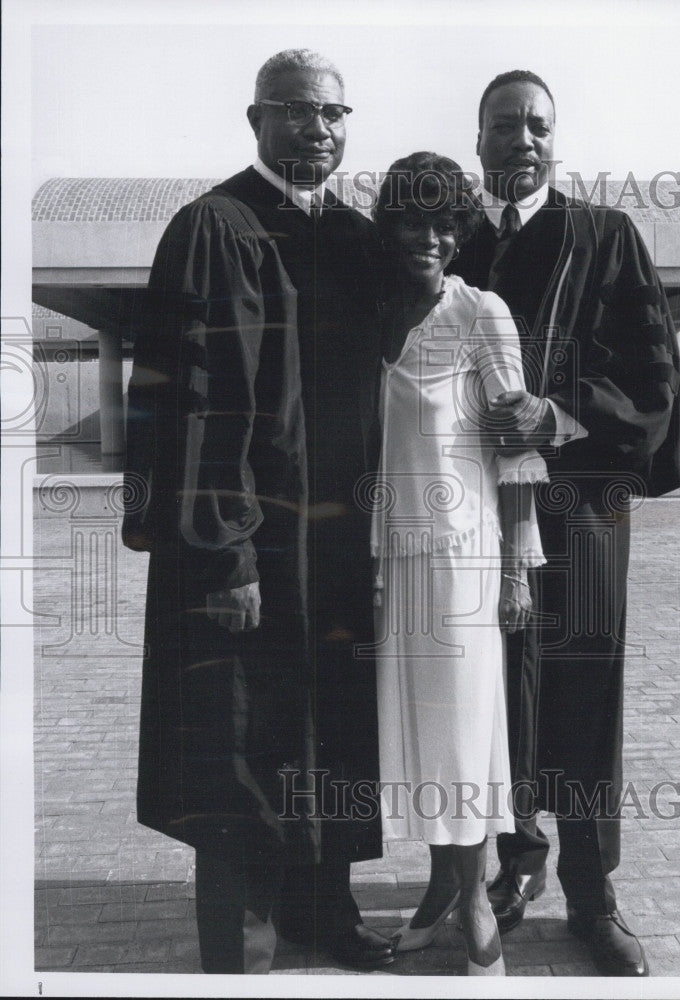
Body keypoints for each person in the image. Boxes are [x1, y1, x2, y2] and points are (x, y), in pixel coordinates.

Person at [122, 49, 394, 973]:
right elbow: (197, 401)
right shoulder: (214, 226)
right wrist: (225, 551)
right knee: (240, 733)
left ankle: (325, 909)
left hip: (339, 550)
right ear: (256, 119)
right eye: (296, 112)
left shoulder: (356, 239)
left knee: (332, 724)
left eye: (332, 114)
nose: (316, 129)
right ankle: (242, 934)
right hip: (248, 546)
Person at [450, 70, 680, 977]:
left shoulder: (606, 237)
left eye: (539, 126)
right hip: (479, 518)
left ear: (556, 138)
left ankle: (592, 892)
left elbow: (655, 375)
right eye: (505, 126)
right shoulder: (454, 243)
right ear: (477, 142)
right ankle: (515, 866)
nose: (524, 140)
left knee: (582, 694)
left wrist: (560, 413)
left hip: (580, 510)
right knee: (496, 695)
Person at [368, 152, 550, 976]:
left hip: (467, 559)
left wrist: (516, 564)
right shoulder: (364, 312)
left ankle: (475, 895)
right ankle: (438, 889)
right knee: (416, 737)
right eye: (414, 219)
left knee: (467, 731)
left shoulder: (484, 313)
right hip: (385, 561)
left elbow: (516, 449)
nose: (432, 237)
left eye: (448, 223)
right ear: (389, 224)